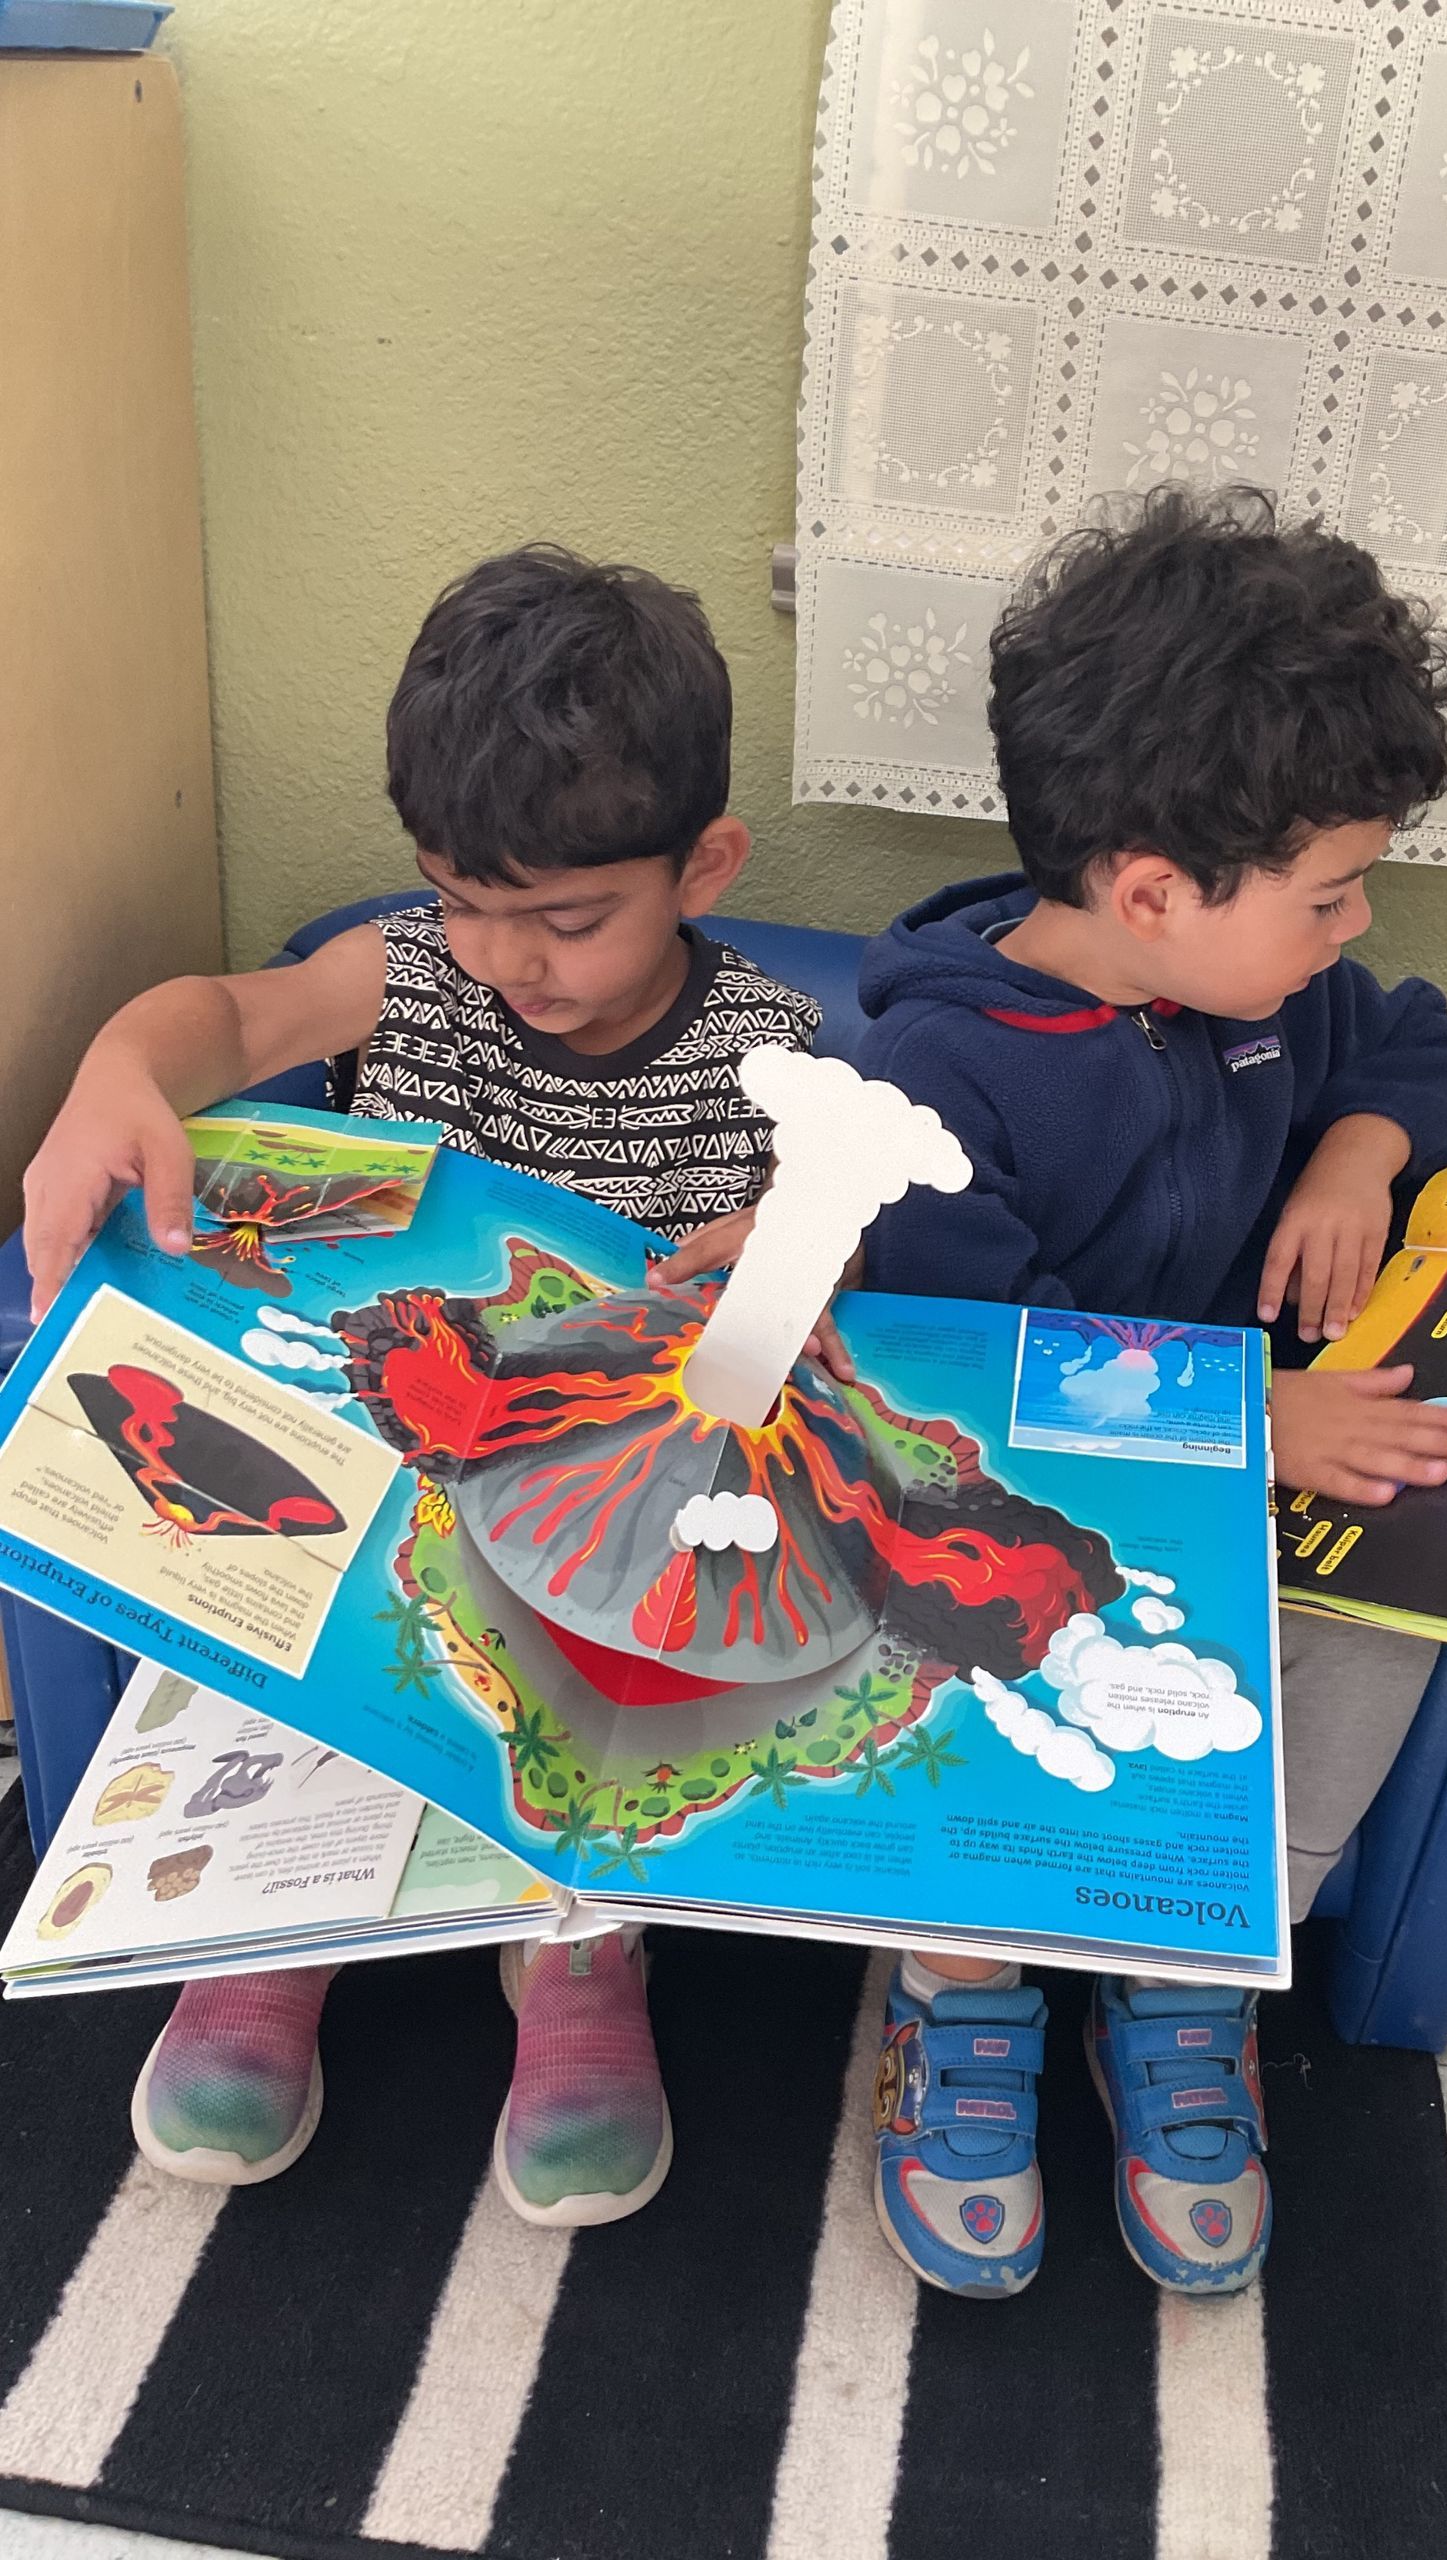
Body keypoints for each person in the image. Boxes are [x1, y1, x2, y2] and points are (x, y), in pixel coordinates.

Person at [23, 544, 823, 2226]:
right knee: (260, 1588)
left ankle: (579, 1960)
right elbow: (230, 1011)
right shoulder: (413, 977)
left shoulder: (774, 1056)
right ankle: (269, 1938)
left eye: (568, 918)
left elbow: (830, 1268)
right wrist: (115, 1076)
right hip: (378, 1461)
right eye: (465, 897)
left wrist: (787, 1247)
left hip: (606, 1515)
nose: (507, 957)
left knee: (626, 1675)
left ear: (705, 866)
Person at [848, 486, 1447, 2299]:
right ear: (1148, 893)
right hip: (1015, 1503)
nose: (1354, 925)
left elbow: (1415, 1041)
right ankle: (961, 1990)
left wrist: (1357, 1153)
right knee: (939, 1642)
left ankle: (1198, 1960)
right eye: (1331, 892)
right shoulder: (939, 1073)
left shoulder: (1276, 988)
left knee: (1401, 1615)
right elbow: (970, 1364)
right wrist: (1255, 1416)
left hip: (1239, 1487)